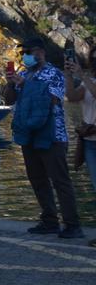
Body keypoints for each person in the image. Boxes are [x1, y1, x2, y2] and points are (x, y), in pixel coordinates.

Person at [3, 37, 84, 239]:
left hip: (52, 135)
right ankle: (49, 220)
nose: (26, 56)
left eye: (29, 52)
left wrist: (25, 85)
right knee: (37, 179)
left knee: (60, 180)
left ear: (41, 52)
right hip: (28, 135)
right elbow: (9, 100)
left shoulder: (53, 74)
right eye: (23, 53)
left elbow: (53, 99)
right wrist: (10, 84)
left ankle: (72, 224)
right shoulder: (23, 75)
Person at [64, 47, 96, 248]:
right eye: (93, 58)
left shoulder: (89, 80)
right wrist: (68, 75)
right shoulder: (88, 81)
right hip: (90, 141)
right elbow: (73, 97)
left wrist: (81, 74)